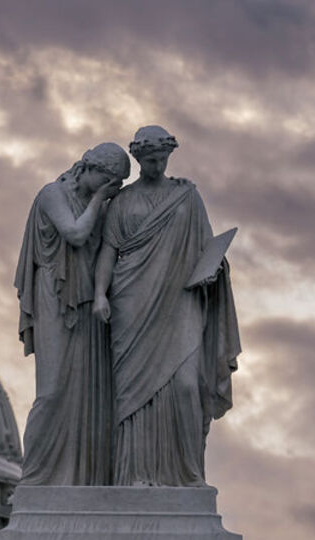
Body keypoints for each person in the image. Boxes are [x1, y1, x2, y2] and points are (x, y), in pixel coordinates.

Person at [93, 126, 240, 487]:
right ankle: (136, 475)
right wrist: (99, 294)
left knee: (186, 386)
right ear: (138, 159)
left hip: (180, 300)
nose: (157, 166)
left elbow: (207, 248)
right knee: (133, 395)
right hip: (132, 302)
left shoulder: (187, 197)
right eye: (150, 161)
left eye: (161, 159)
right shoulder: (122, 202)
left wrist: (213, 271)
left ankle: (187, 475)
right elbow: (108, 252)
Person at [14, 142, 131, 485]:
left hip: (88, 302)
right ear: (91, 169)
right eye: (110, 182)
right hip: (55, 292)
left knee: (88, 394)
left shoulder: (102, 207)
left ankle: (83, 479)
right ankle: (36, 478)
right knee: (52, 391)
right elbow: (76, 234)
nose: (113, 190)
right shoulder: (53, 194)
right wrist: (100, 199)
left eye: (118, 186)